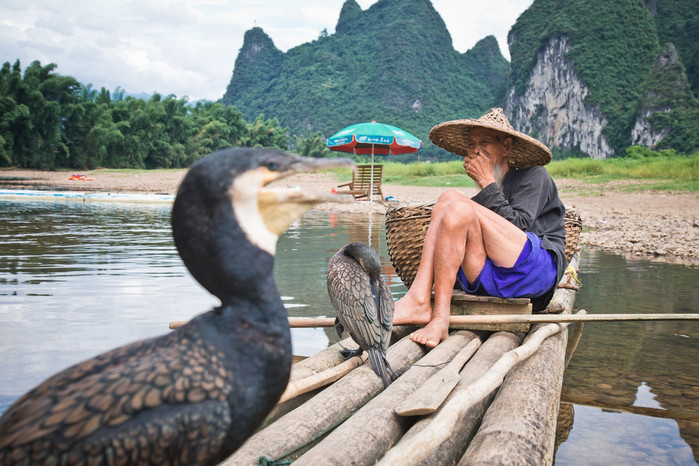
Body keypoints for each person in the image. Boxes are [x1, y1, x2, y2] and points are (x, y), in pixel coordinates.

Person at [393, 108, 568, 348]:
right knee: (454, 207)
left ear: (506, 147)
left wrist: (486, 182)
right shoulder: (472, 206)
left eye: (484, 142)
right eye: (472, 144)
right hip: (492, 278)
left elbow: (521, 227)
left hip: (534, 273)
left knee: (450, 199)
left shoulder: (534, 176)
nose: (476, 150)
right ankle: (426, 305)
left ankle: (421, 301)